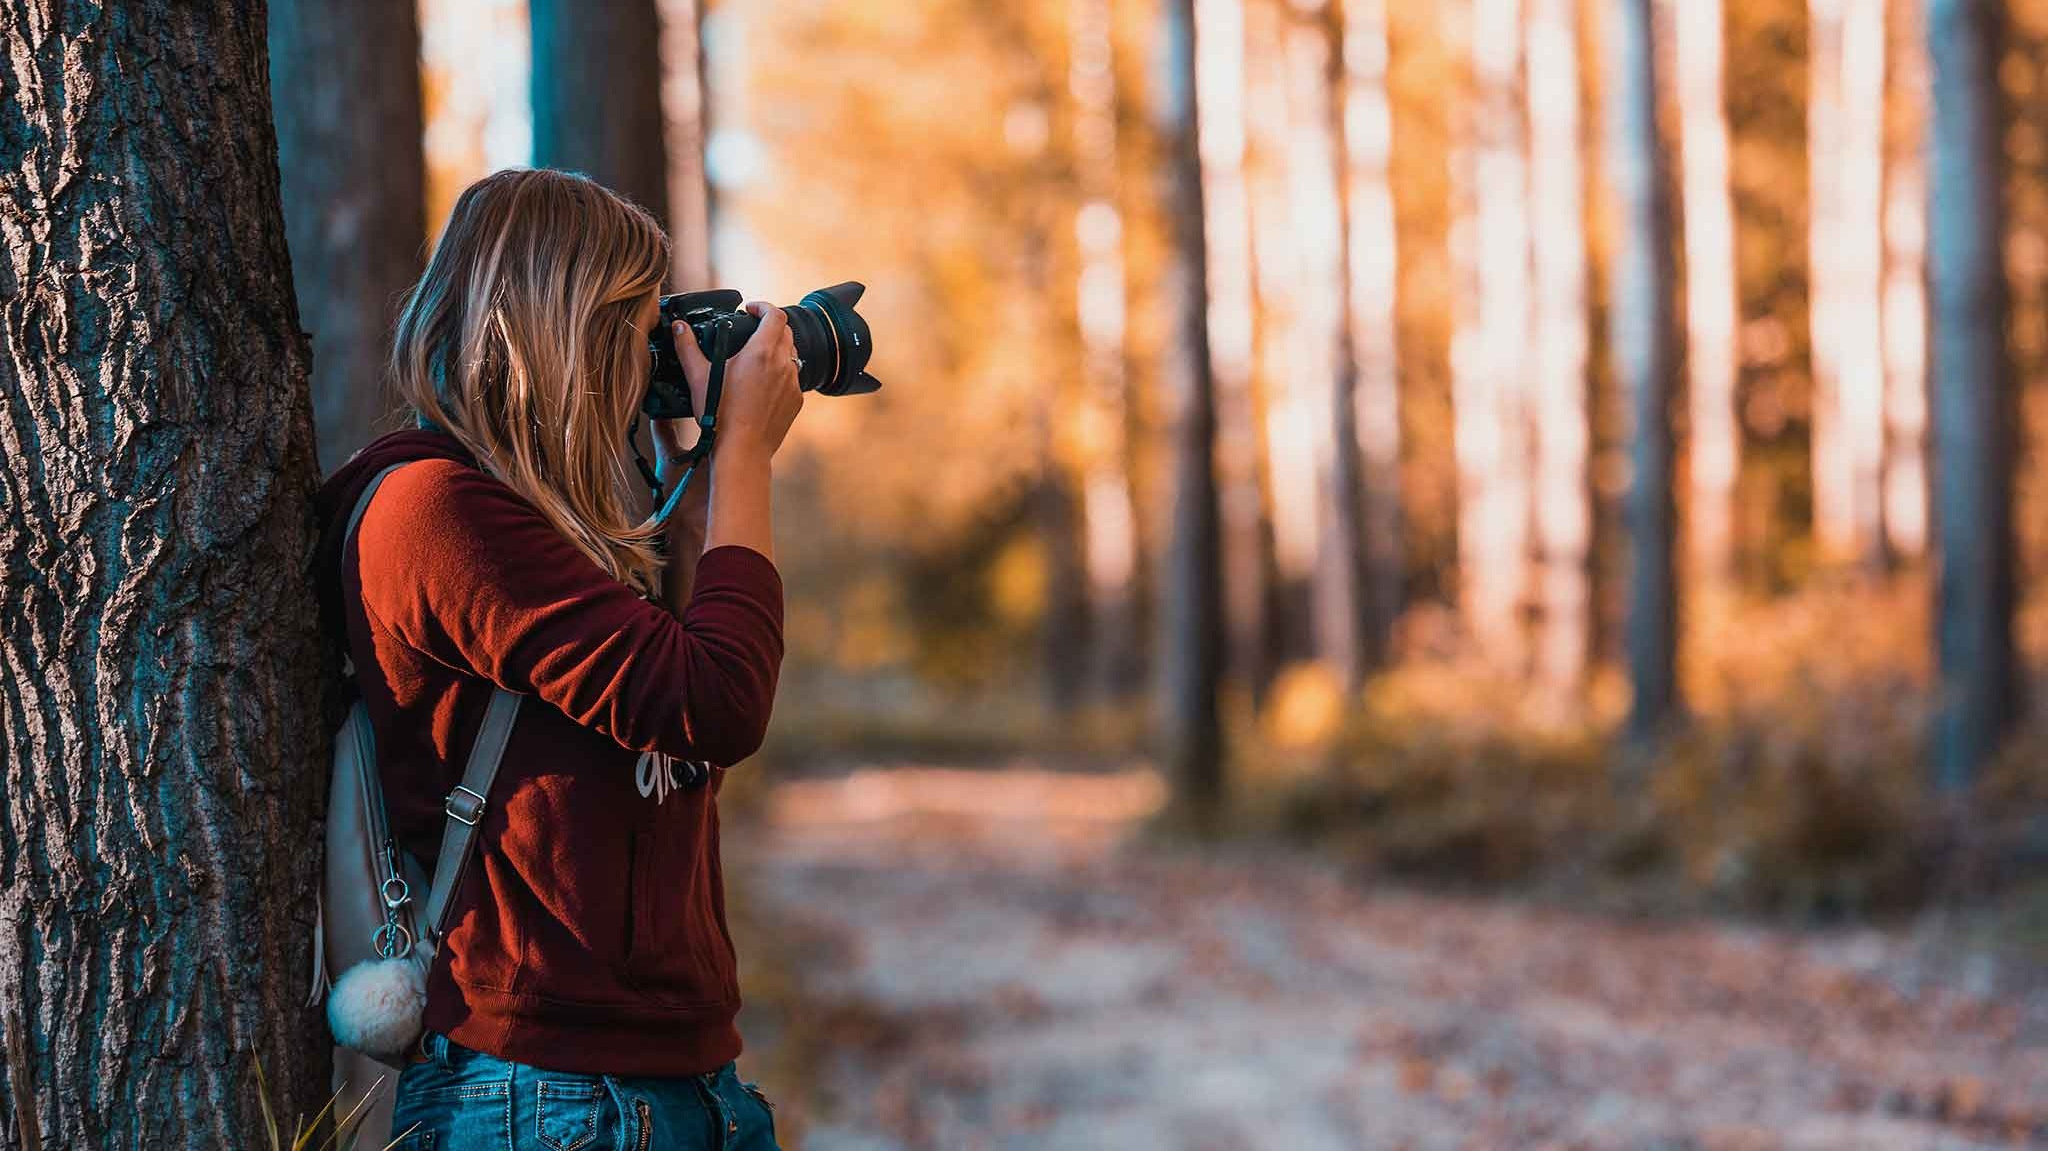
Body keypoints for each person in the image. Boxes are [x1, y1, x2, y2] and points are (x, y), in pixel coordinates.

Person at [314, 167, 798, 1150]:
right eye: (634, 320)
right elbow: (716, 700)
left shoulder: (547, 528)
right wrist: (745, 453)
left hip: (670, 1081)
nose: (648, 352)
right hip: (546, 1096)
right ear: (562, 327)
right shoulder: (435, 512)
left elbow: (683, 672)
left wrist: (695, 474)